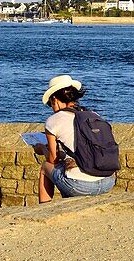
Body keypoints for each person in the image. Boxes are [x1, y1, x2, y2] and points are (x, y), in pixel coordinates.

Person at [36, 75, 116, 203]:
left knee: (46, 167)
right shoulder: (93, 115)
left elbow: (52, 160)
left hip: (80, 186)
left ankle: (44, 208)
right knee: (66, 168)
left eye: (50, 103)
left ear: (55, 100)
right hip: (108, 181)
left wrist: (42, 149)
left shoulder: (53, 121)